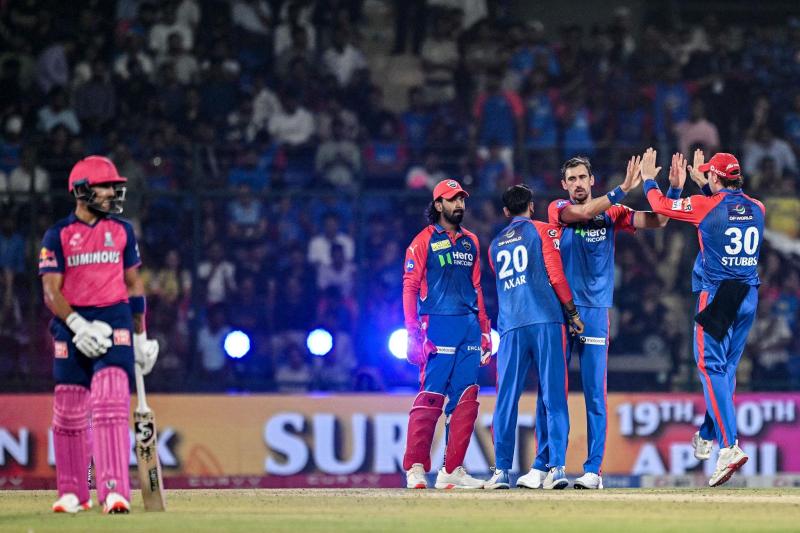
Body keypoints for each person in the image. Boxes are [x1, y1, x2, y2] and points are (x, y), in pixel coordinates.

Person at [543, 150, 671, 489]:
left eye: (582, 177)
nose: (577, 184)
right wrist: (622, 189)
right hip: (561, 310)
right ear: (564, 185)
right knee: (554, 392)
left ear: (591, 180)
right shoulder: (558, 209)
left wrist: (664, 188)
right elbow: (584, 213)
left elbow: (659, 221)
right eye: (571, 179)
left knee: (595, 395)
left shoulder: (614, 213)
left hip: (596, 312)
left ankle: (592, 471)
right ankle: (553, 466)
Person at [39, 156, 159, 514]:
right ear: (81, 191)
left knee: (110, 403)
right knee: (68, 410)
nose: (111, 193)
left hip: (114, 319)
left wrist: (141, 336)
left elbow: (133, 285)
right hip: (71, 323)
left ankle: (113, 491)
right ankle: (73, 492)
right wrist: (78, 325)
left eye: (113, 187)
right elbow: (51, 293)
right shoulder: (57, 235)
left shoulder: (123, 230)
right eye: (105, 186)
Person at [642, 150, 764, 487]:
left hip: (719, 296)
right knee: (725, 371)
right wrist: (706, 184)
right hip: (748, 295)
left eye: (709, 173)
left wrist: (650, 180)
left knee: (711, 368)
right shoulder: (758, 208)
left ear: (715, 178)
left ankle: (729, 446)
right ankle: (708, 434)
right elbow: (729, 209)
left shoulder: (704, 206)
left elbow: (659, 205)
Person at [484, 185, 584, 491]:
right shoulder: (543, 231)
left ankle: (501, 471)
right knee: (554, 396)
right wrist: (572, 312)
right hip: (546, 322)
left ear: (505, 212)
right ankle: (557, 469)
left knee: (506, 399)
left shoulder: (494, 245)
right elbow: (555, 274)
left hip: (511, 327)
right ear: (531, 206)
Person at [402, 179, 491, 490]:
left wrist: (484, 329)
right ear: (438, 204)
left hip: (469, 326)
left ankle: (451, 470)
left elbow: (477, 286)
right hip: (437, 326)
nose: (459, 205)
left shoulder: (471, 241)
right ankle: (415, 468)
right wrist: (413, 332)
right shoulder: (422, 240)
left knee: (466, 398)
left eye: (462, 199)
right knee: (431, 396)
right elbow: (410, 287)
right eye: (452, 200)